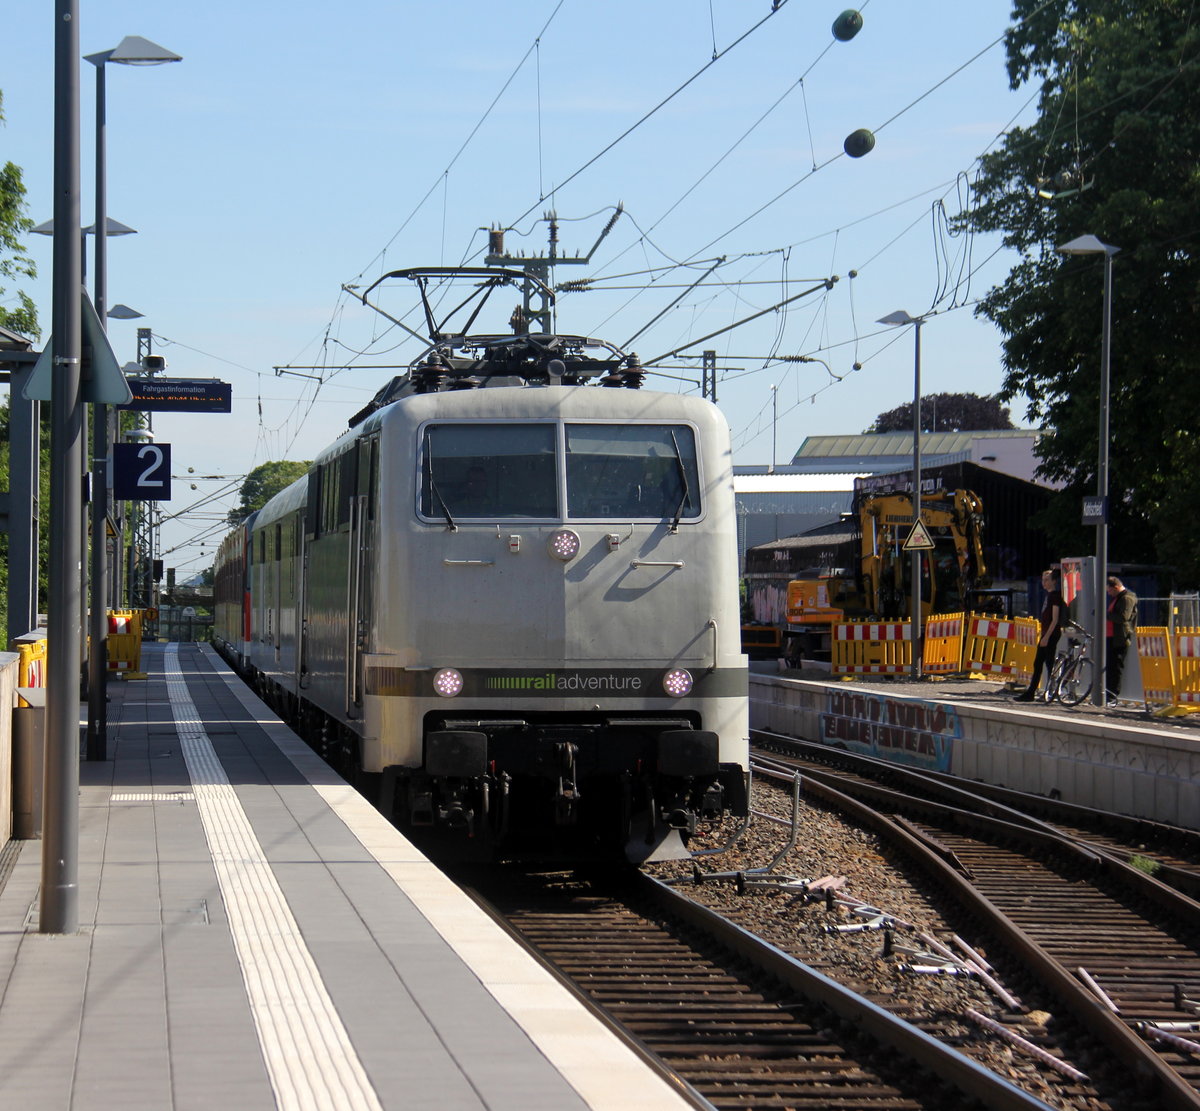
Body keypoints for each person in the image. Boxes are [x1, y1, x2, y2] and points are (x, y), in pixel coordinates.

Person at [1015, 568, 1064, 701]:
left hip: (1051, 634)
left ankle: (1048, 692)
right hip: (1047, 633)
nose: (1044, 582)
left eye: (1047, 580)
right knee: (1039, 663)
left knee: (1047, 663)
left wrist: (1046, 637)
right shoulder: (1049, 596)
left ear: (1054, 581)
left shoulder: (1054, 597)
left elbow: (1055, 619)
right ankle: (1034, 691)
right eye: (1043, 580)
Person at [1105, 575, 1138, 704]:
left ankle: (1112, 696)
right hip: (1112, 636)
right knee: (1110, 667)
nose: (1109, 594)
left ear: (1117, 587)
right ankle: (1109, 694)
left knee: (1116, 667)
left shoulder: (1127, 598)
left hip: (1119, 638)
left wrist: (1106, 615)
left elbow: (1124, 617)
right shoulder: (1119, 597)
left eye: (1110, 591)